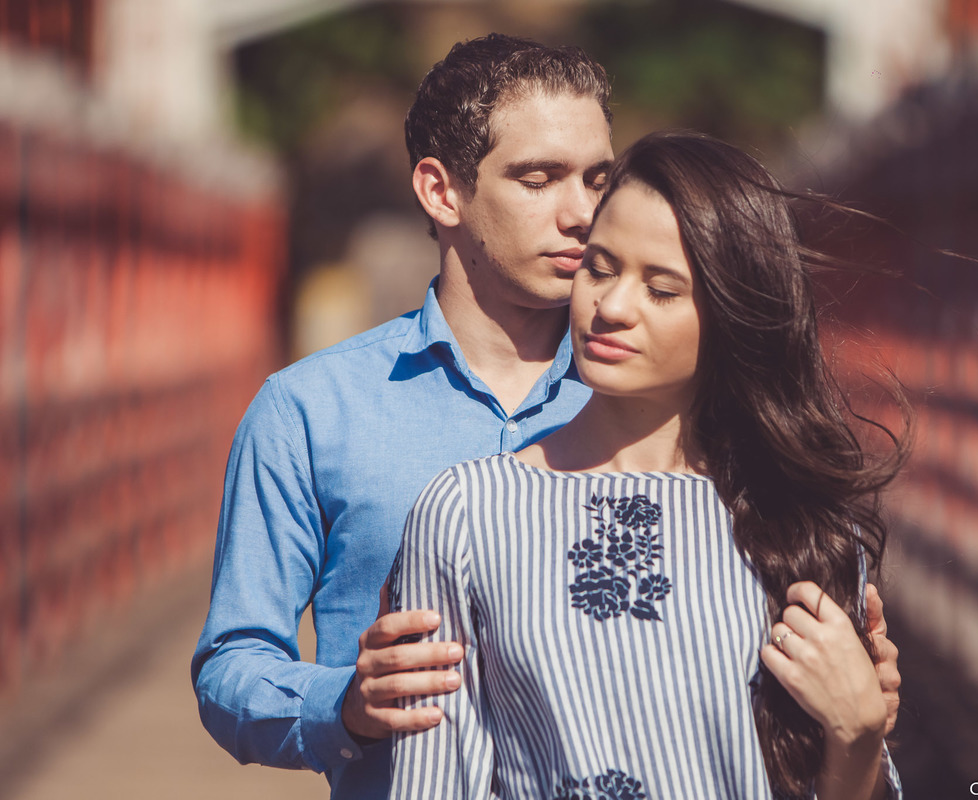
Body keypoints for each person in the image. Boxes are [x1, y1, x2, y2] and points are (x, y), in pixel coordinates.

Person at [192, 34, 900, 800]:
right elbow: (233, 662)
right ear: (440, 192)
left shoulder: (660, 391)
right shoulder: (309, 411)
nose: (581, 213)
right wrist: (349, 706)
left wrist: (837, 693)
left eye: (598, 178)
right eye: (539, 178)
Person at [388, 131, 907, 800]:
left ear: (731, 314)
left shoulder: (799, 525)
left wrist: (859, 734)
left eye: (661, 290)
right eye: (600, 268)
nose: (611, 307)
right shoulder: (467, 511)